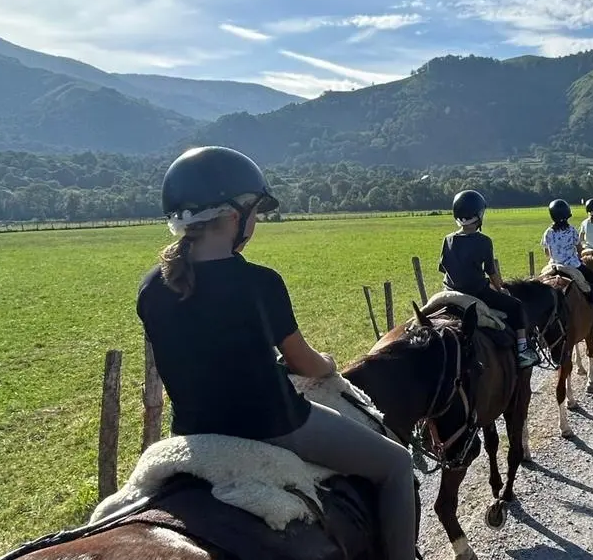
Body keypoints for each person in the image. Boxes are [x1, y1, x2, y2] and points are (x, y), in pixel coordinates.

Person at [138, 146, 416, 560]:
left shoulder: (153, 286)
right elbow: (304, 362)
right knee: (396, 465)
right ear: (236, 214)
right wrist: (327, 364)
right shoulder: (260, 282)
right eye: (255, 212)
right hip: (277, 424)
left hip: (194, 433)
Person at [439, 190, 539, 368]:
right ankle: (523, 351)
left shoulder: (447, 239)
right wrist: (501, 289)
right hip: (478, 292)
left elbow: (443, 268)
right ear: (478, 215)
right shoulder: (484, 241)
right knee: (516, 306)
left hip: (449, 292)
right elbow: (492, 272)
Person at [543, 199, 593, 316]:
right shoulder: (571, 230)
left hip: (553, 265)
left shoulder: (548, 232)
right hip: (572, 265)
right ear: (567, 215)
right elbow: (580, 249)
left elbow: (547, 252)